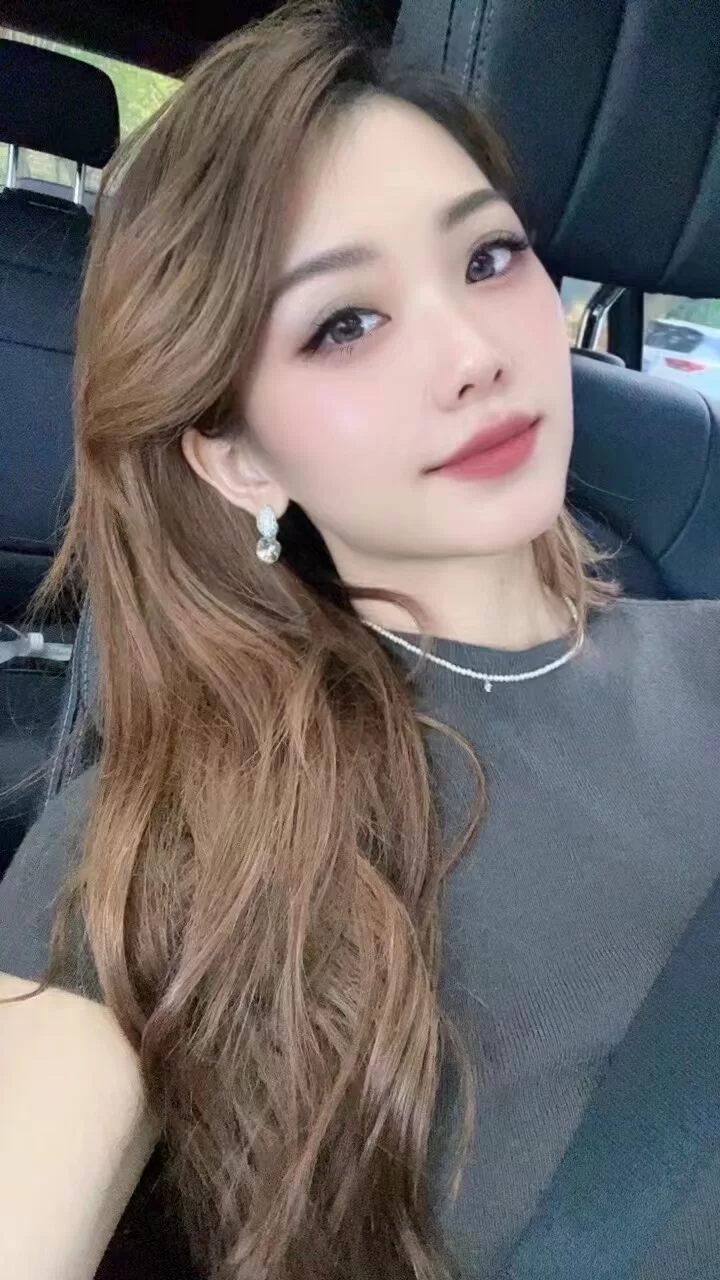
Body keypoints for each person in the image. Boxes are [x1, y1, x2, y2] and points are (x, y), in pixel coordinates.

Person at [1, 1, 719, 1277]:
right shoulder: (171, 832)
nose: (471, 354)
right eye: (343, 323)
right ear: (237, 457)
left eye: (488, 258)